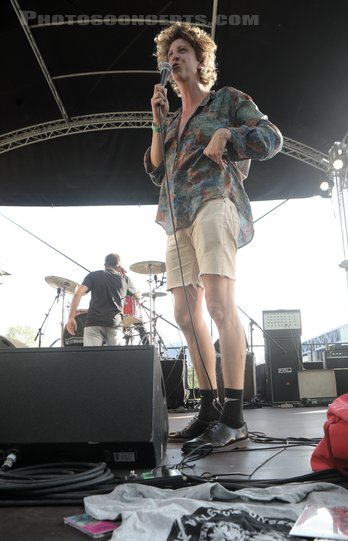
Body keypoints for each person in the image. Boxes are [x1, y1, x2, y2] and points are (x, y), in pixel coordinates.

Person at [144, 22, 283, 453]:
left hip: (213, 201)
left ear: (200, 60)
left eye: (182, 50)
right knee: (186, 316)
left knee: (220, 304)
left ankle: (235, 417)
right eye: (170, 53)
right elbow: (154, 170)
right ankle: (208, 407)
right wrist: (156, 123)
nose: (174, 57)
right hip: (176, 216)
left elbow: (271, 138)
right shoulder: (169, 122)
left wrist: (230, 134)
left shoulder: (227, 100)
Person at [66, 253, 141, 346]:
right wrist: (123, 276)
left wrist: (71, 317)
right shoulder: (125, 280)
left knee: (92, 359)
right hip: (115, 324)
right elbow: (138, 296)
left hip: (93, 323)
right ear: (119, 267)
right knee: (115, 359)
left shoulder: (93, 275)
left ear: (105, 265)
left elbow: (78, 293)